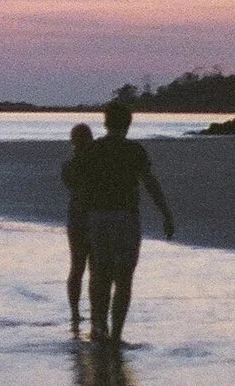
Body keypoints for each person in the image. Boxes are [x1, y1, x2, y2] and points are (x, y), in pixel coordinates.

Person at [70, 102, 176, 347]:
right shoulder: (134, 150)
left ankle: (99, 328)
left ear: (106, 123)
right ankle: (116, 335)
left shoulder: (93, 150)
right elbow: (149, 182)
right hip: (125, 218)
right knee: (124, 278)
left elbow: (75, 179)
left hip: (97, 218)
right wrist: (165, 212)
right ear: (127, 124)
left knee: (100, 275)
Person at [58, 123, 94, 330]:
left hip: (76, 216)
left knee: (77, 266)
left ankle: (75, 312)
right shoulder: (95, 163)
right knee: (94, 268)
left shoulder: (68, 165)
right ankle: (93, 313)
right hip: (92, 215)